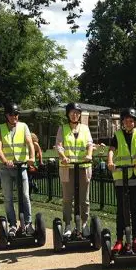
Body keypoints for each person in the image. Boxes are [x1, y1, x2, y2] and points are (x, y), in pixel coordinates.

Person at [107, 108, 136, 253]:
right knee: (121, 209)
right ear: (122, 121)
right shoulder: (117, 134)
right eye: (126, 120)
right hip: (120, 176)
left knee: (135, 208)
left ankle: (135, 239)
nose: (129, 123)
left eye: (131, 121)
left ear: (134, 122)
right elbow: (111, 150)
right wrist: (110, 161)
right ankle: (119, 240)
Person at [0, 102, 37, 237]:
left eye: (16, 114)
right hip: (5, 168)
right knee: (8, 198)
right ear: (7, 116)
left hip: (21, 166)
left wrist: (32, 157)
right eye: (12, 115)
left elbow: (30, 143)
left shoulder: (23, 127)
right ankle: (12, 225)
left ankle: (28, 223)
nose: (15, 117)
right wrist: (5, 161)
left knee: (25, 195)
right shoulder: (0, 128)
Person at [55, 102, 94, 238]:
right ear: (68, 114)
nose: (75, 115)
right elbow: (59, 145)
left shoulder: (85, 128)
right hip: (67, 167)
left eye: (77, 113)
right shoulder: (62, 128)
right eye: (72, 112)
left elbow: (89, 144)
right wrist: (63, 157)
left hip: (83, 167)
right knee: (67, 198)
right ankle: (67, 225)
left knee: (84, 199)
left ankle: (84, 224)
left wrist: (89, 155)